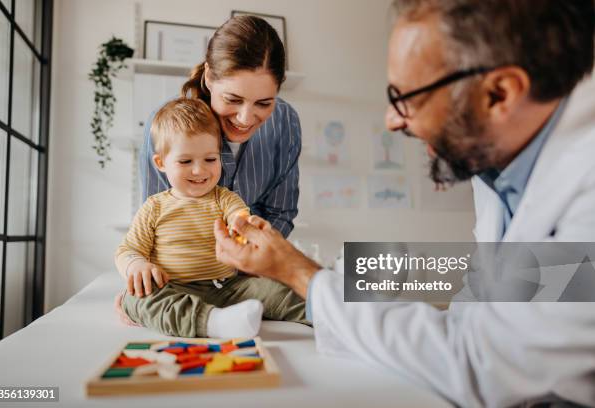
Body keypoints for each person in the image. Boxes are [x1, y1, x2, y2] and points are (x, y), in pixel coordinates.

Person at [213, 0, 595, 406]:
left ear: (500, 94)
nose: (392, 121)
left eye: (406, 97)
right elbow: (478, 304)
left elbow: (490, 364)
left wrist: (300, 272)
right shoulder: (500, 176)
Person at [115, 97, 308, 339]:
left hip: (227, 287)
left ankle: (326, 315)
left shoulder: (224, 199)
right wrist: (136, 266)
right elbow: (128, 250)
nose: (200, 170)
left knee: (281, 291)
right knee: (135, 299)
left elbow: (240, 217)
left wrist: (246, 229)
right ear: (161, 163)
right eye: (186, 161)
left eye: (210, 159)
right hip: (172, 288)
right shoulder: (153, 207)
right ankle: (213, 323)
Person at [140, 15, 301, 242]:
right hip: (183, 264)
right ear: (209, 78)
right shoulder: (165, 127)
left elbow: (280, 213)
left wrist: (248, 258)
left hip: (254, 261)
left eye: (264, 103)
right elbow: (154, 219)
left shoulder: (284, 120)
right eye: (233, 99)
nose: (245, 119)